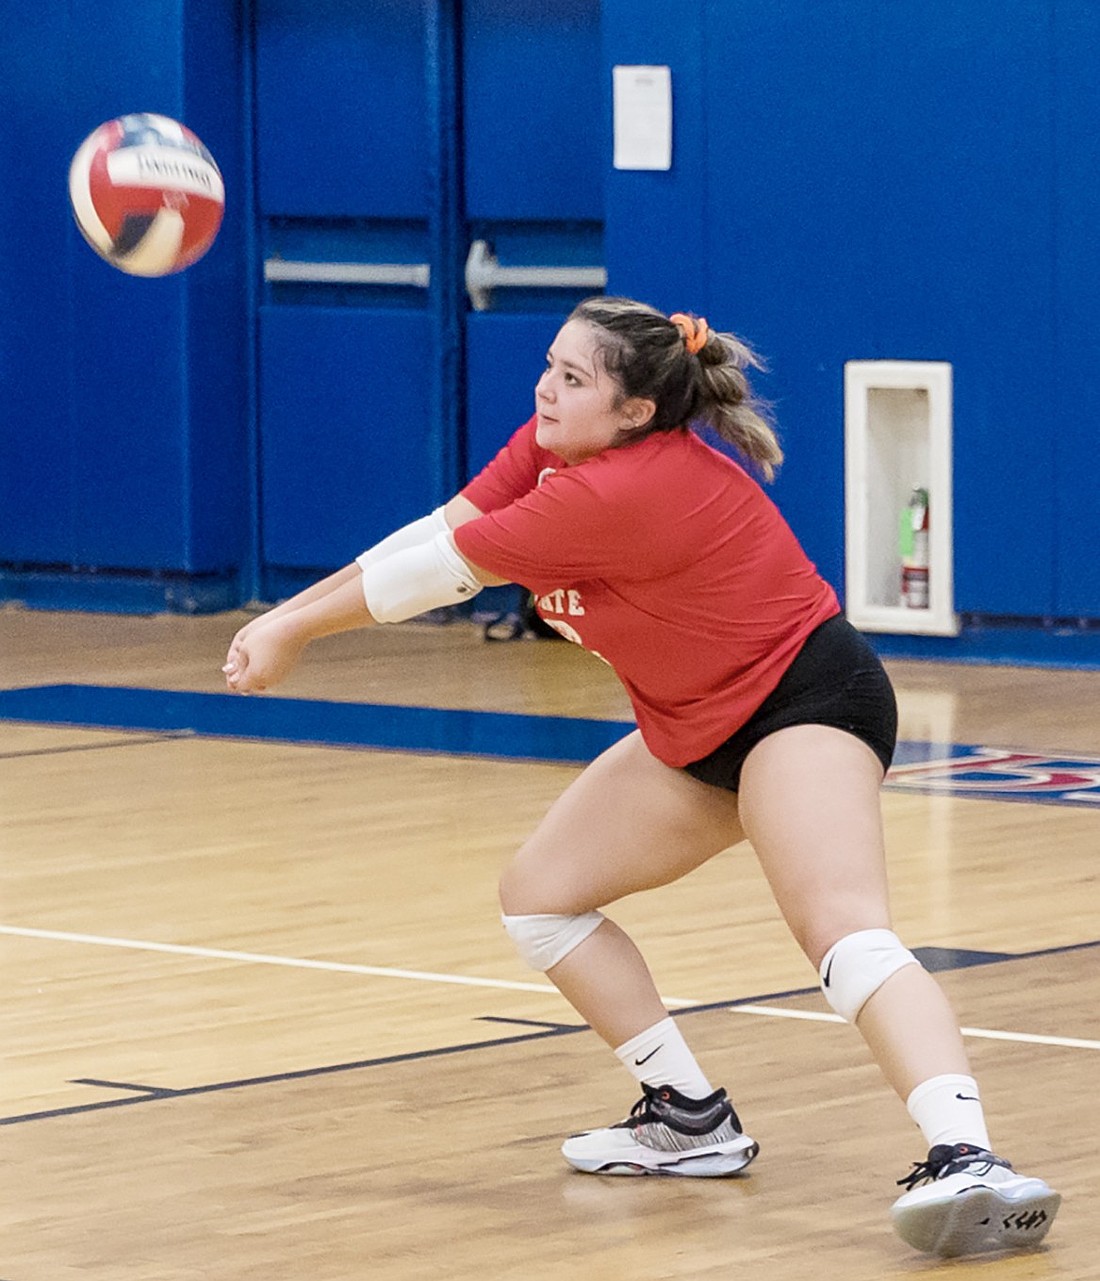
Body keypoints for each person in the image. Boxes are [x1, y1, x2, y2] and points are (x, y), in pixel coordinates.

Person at [223, 297, 1061, 1258]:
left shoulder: (616, 489)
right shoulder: (553, 447)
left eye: (573, 377)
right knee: (541, 897)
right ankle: (689, 1115)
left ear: (633, 412)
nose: (545, 385)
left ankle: (971, 1158)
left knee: (842, 930)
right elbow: (439, 527)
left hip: (804, 703)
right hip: (692, 725)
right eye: (549, 363)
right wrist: (281, 615)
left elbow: (435, 578)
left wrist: (290, 631)